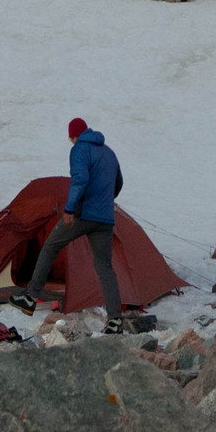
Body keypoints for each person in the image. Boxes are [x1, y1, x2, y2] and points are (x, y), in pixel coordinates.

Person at [11, 118, 131, 333]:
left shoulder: (80, 150)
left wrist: (69, 209)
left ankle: (30, 297)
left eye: (70, 138)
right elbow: (119, 182)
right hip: (104, 217)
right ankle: (115, 321)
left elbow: (80, 180)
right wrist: (104, 203)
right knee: (105, 267)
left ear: (74, 135)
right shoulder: (109, 152)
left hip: (83, 214)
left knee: (50, 246)